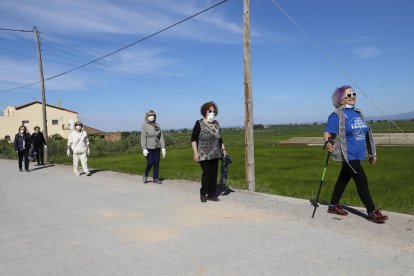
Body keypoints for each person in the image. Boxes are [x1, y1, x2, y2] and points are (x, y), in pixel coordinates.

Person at [324, 85, 388, 223]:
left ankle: (333, 206)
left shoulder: (358, 112)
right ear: (341, 100)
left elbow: (367, 133)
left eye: (353, 94)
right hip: (347, 153)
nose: (352, 96)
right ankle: (372, 212)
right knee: (361, 179)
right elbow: (328, 132)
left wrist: (372, 154)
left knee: (343, 179)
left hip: (358, 154)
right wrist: (327, 142)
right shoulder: (337, 115)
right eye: (348, 95)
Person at [191, 101, 227, 202]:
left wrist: (224, 150)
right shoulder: (199, 123)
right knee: (207, 173)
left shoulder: (216, 124)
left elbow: (220, 139)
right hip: (203, 154)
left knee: (214, 174)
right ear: (204, 112)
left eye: (213, 111)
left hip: (215, 153)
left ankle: (212, 195)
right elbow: (193, 139)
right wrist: (195, 153)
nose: (212, 112)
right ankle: (203, 194)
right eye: (209, 111)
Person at [140, 110, 166, 184]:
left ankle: (155, 178)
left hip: (157, 147)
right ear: (147, 117)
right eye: (150, 116)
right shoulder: (145, 126)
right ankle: (145, 175)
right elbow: (143, 138)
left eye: (153, 116)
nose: (152, 117)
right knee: (150, 162)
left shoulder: (157, 125)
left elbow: (161, 136)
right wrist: (144, 148)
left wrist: (163, 147)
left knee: (157, 163)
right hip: (149, 148)